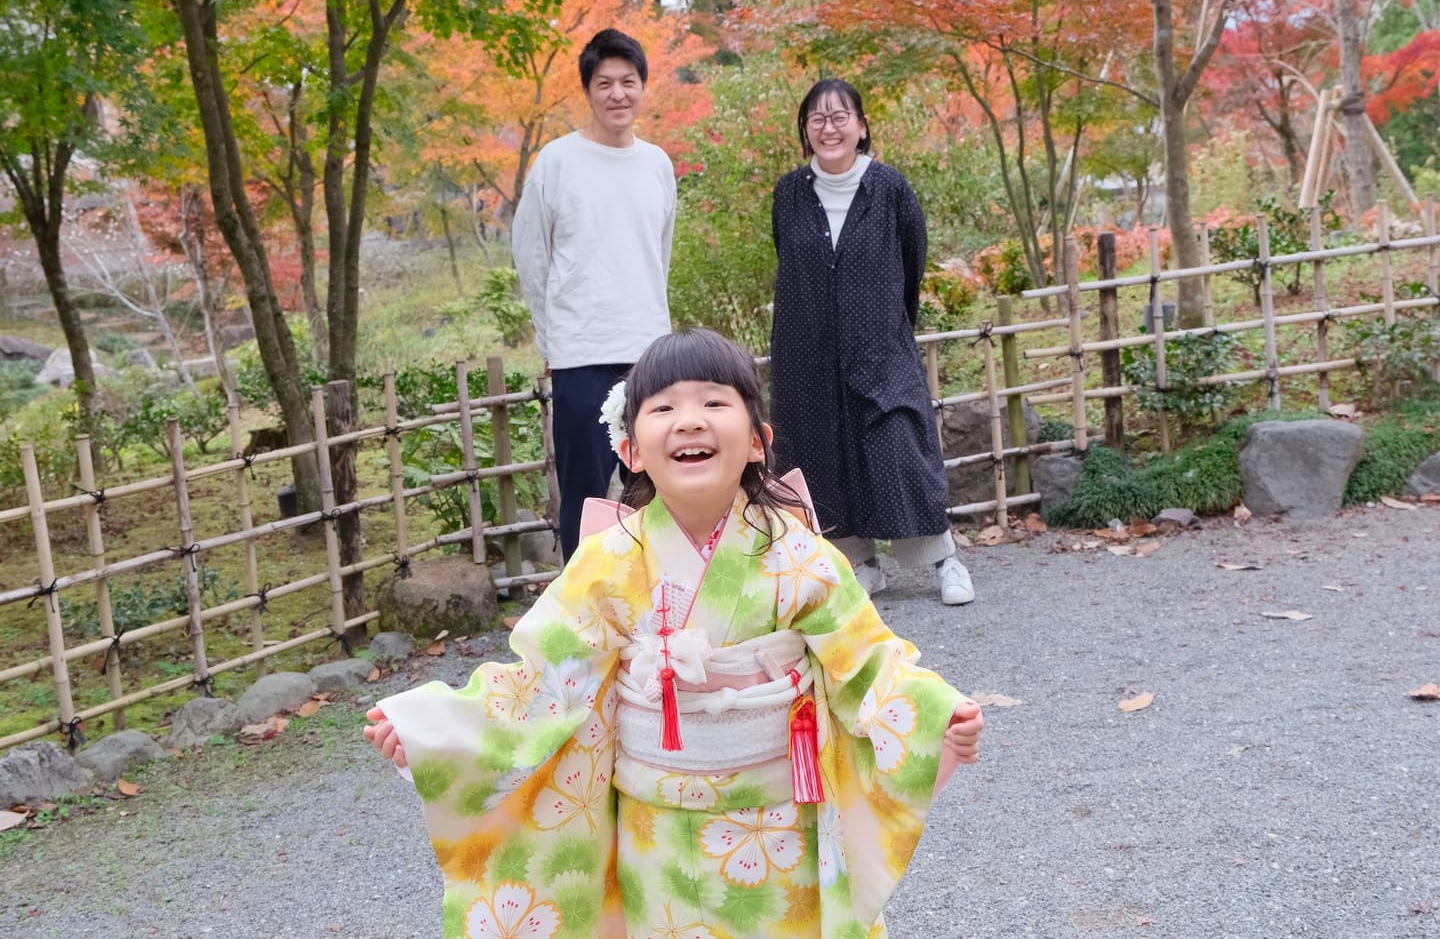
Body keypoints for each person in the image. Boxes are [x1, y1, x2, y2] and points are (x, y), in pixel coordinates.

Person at [365, 328, 985, 939]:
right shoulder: (607, 562)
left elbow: (868, 663)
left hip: (774, 828)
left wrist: (933, 712)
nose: (690, 421)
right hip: (652, 830)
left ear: (757, 442)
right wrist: (438, 735)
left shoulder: (805, 559)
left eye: (715, 402)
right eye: (664, 408)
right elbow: (545, 681)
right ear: (632, 450)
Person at [768, 78, 976, 606]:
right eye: (817, 118)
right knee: (820, 450)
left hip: (881, 341)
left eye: (841, 117)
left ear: (861, 127)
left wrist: (885, 322)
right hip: (806, 349)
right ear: (805, 130)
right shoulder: (789, 194)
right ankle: (859, 562)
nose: (829, 127)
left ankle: (943, 559)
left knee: (900, 446)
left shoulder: (889, 189)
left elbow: (913, 264)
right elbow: (789, 264)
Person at [511, 27, 676, 562]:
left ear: (643, 87)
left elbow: (660, 253)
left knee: (653, 484)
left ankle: (656, 601)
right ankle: (579, 614)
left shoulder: (657, 164)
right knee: (585, 491)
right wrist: (552, 333)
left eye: (628, 81)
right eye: (604, 83)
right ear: (587, 90)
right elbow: (531, 256)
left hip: (648, 350)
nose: (617, 94)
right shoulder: (556, 163)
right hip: (580, 351)